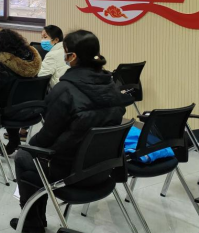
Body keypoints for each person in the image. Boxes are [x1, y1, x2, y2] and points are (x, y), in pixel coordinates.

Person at [11, 30, 131, 233]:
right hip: (103, 169)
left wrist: (31, 146)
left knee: (24, 156)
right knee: (34, 157)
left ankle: (32, 225)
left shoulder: (64, 90)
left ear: (72, 56)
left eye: (65, 51)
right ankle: (34, 221)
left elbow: (46, 137)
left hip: (72, 173)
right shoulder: (112, 85)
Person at [0, 29, 42, 156]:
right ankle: (14, 140)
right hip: (34, 109)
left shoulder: (2, 64)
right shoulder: (31, 61)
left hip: (11, 113)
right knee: (13, 99)